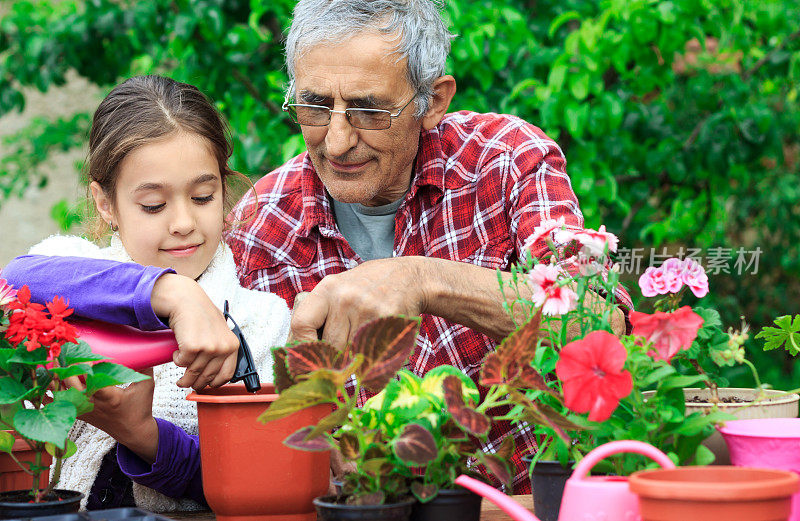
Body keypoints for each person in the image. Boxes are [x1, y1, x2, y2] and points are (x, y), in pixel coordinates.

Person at [5, 0, 631, 493]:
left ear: (432, 100)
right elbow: (249, 458)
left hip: (532, 502)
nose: (335, 141)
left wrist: (418, 279)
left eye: (367, 109)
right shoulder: (262, 226)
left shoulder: (505, 160)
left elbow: (601, 315)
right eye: (313, 105)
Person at [3, 75, 290, 511]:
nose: (182, 223)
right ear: (105, 204)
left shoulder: (262, 322)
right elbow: (18, 278)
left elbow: (252, 481)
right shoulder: (75, 267)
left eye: (203, 196)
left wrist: (140, 433)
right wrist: (171, 293)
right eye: (153, 205)